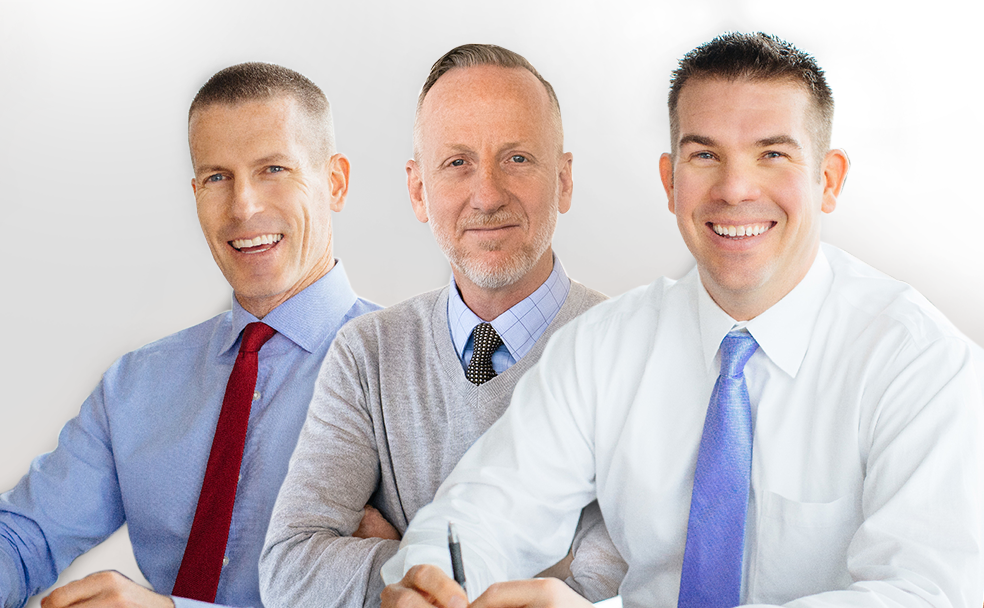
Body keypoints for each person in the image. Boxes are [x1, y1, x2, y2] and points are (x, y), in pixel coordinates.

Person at [379, 33, 984, 608]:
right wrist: (428, 582)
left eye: (772, 153)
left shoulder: (921, 364)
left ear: (828, 180)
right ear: (670, 182)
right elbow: (485, 508)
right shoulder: (598, 351)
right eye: (705, 155)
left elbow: (925, 595)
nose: (735, 187)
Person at [0, 62, 379, 608]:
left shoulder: (414, 374)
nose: (243, 207)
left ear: (335, 182)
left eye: (273, 168)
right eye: (217, 177)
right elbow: (25, 536)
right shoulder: (137, 384)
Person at [259, 44, 625, 608]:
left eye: (518, 158)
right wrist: (526, 573)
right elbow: (290, 571)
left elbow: (616, 589)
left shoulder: (629, 354)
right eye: (457, 163)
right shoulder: (366, 356)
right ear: (417, 190)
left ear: (565, 178)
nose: (487, 195)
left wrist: (408, 560)